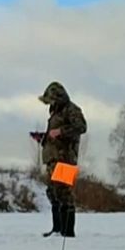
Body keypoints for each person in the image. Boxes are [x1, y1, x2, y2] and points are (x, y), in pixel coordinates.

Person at [34, 81, 86, 238]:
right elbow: (53, 136)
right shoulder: (55, 113)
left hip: (65, 159)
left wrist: (61, 131)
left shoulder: (71, 109)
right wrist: (43, 138)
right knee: (53, 192)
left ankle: (67, 232)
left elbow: (81, 127)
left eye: (51, 100)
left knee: (64, 193)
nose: (50, 103)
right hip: (52, 158)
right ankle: (57, 229)